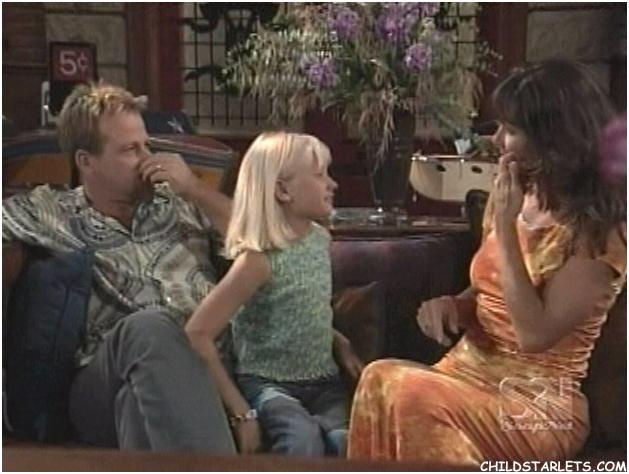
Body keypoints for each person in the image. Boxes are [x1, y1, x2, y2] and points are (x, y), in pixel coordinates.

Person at [347, 59, 626, 464]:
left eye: (510, 130)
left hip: (536, 403)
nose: (495, 140)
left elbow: (533, 334)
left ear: (553, 138)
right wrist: (454, 305)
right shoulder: (513, 193)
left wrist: (507, 227)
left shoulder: (600, 232)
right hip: (464, 372)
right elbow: (490, 289)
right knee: (378, 377)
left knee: (410, 392)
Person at [2, 82, 236, 453]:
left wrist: (195, 188)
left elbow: (263, 239)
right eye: (130, 150)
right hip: (100, 381)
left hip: (207, 373)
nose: (147, 159)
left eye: (146, 145)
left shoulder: (182, 201)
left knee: (136, 407)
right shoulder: (53, 211)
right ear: (86, 161)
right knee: (150, 327)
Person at [185, 131, 364, 456]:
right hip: (269, 385)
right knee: (302, 441)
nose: (332, 184)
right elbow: (198, 333)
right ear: (283, 190)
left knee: (347, 444)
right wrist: (241, 412)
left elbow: (302, 310)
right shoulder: (257, 260)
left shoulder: (320, 240)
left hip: (325, 384)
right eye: (320, 175)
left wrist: (339, 342)